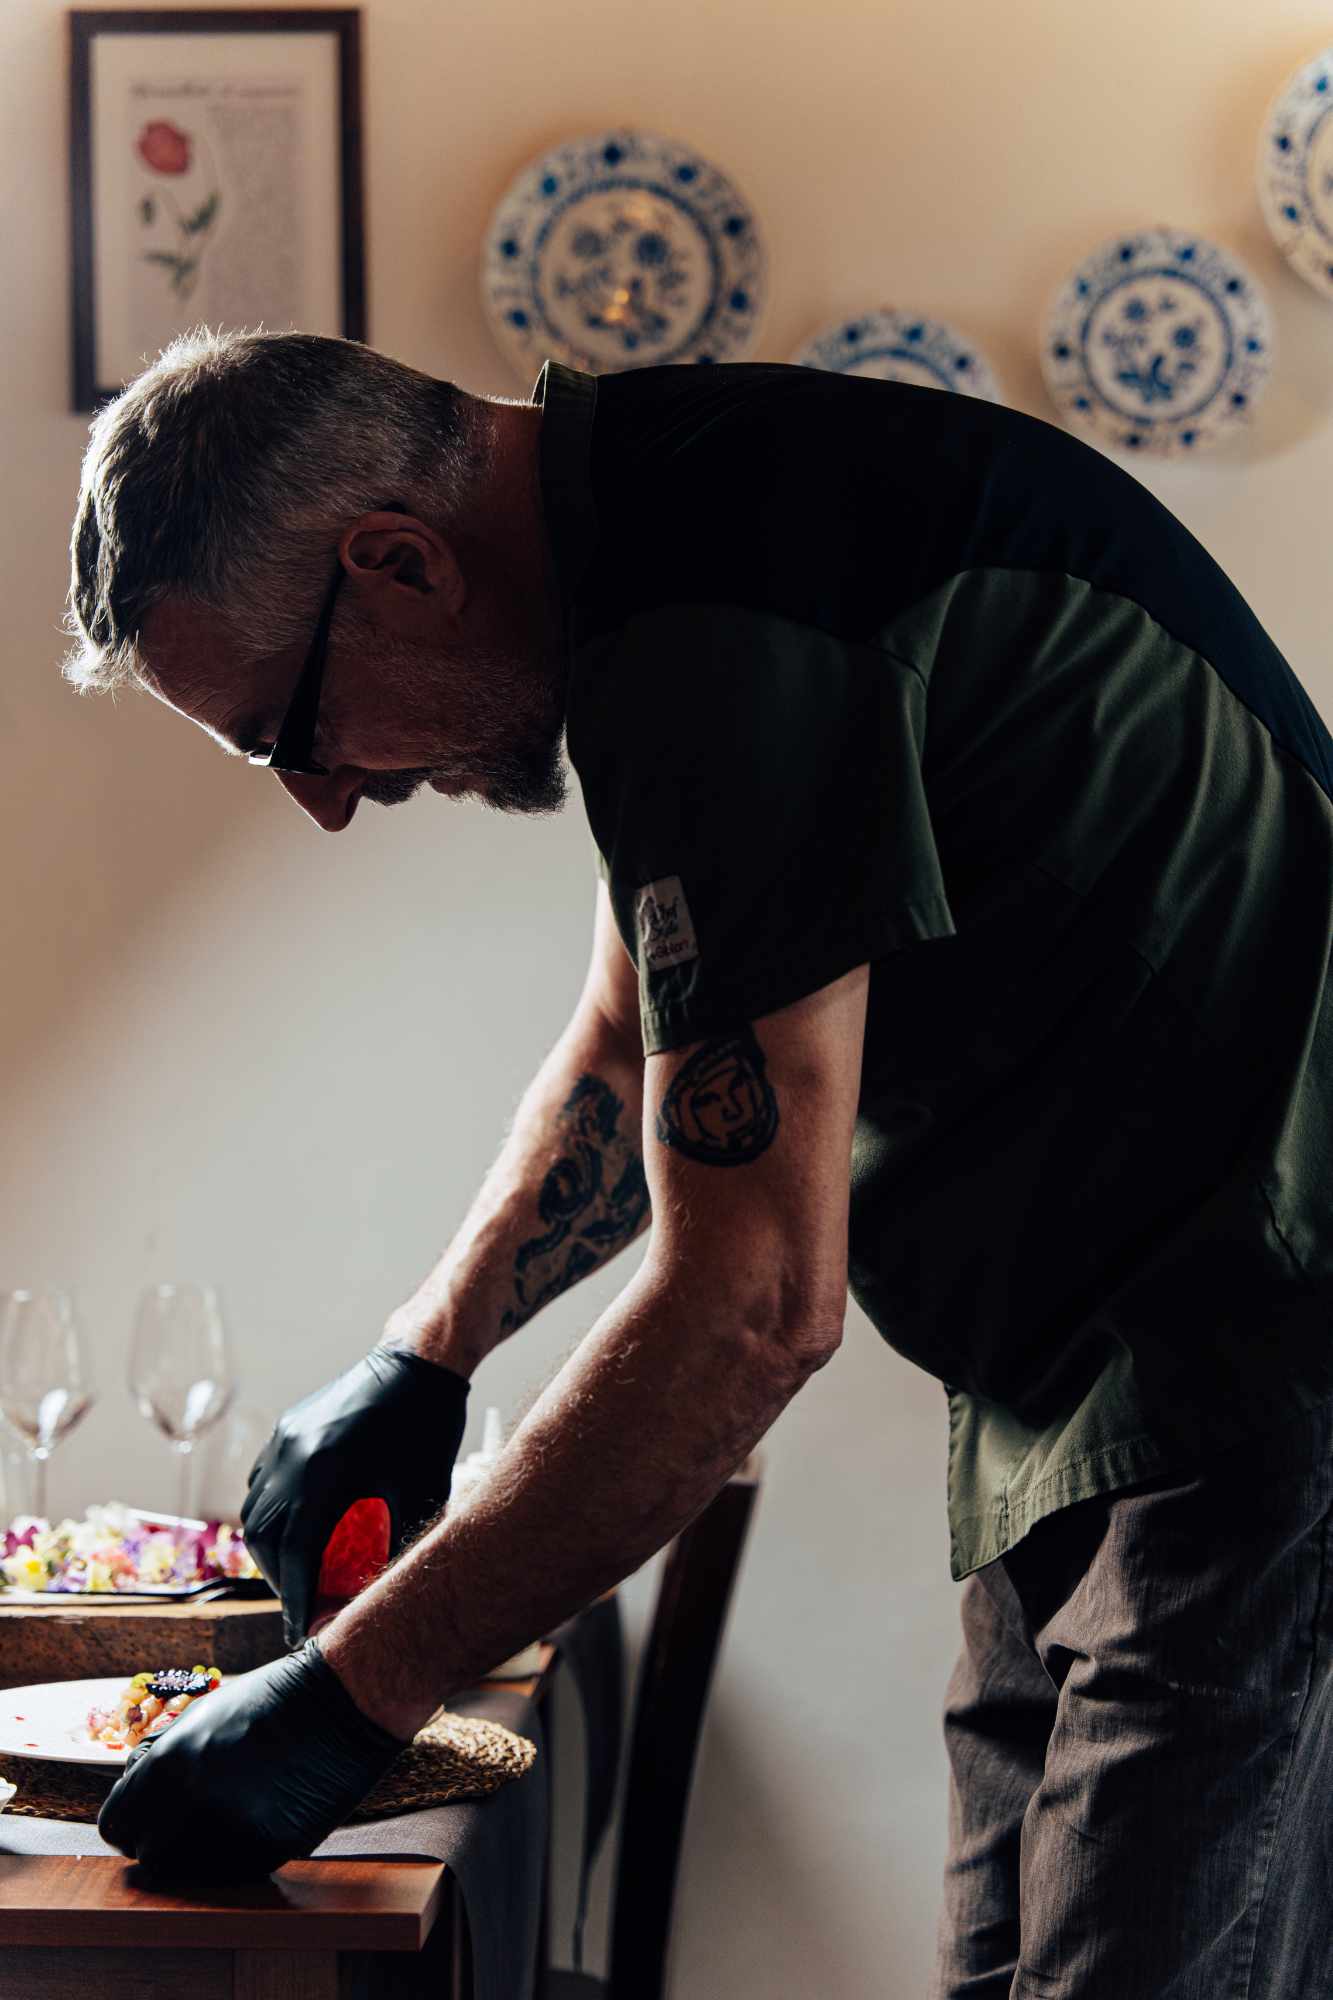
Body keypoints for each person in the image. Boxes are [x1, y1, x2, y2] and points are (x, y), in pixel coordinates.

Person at [63, 328, 1333, 1996]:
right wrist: (425, 1357)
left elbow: (750, 1311)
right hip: (1088, 1384)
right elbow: (633, 1040)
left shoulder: (727, 604)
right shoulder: (661, 552)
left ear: (399, 563)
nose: (325, 799)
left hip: (1256, 1356)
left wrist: (349, 1700)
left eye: (284, 731)